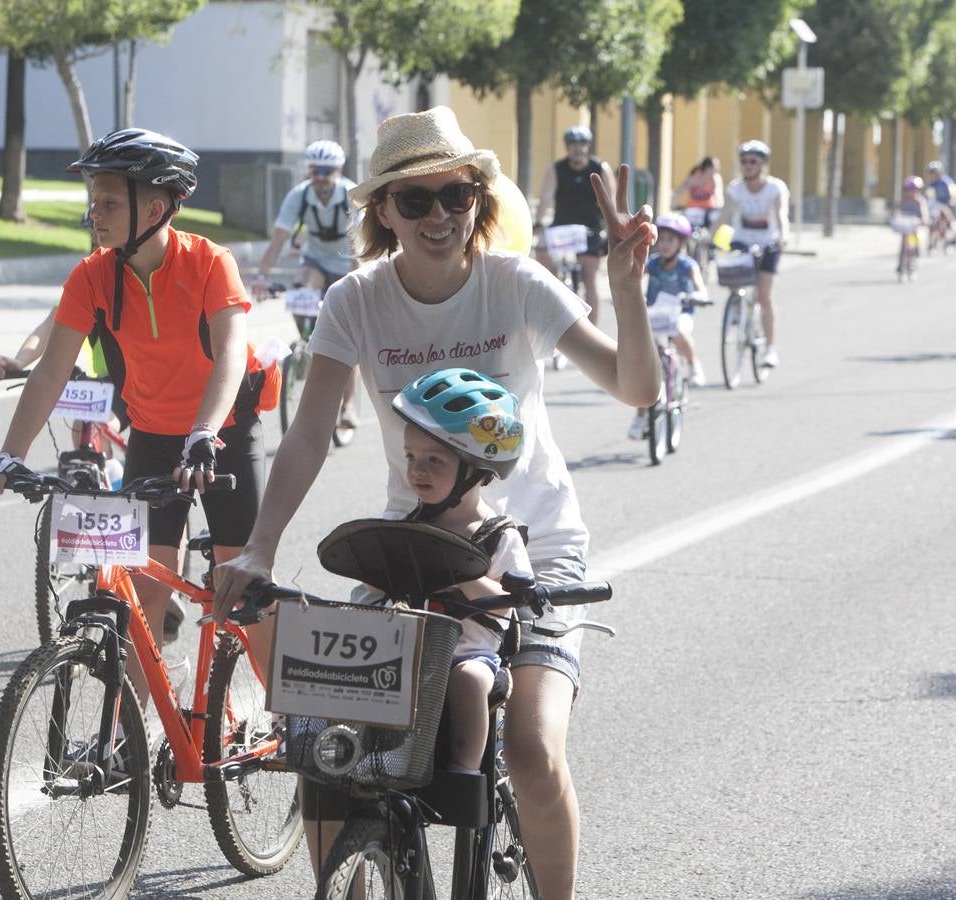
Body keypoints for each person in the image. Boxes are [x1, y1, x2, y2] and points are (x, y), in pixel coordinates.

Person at [212, 105, 660, 899]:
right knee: (330, 745)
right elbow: (310, 435)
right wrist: (259, 547)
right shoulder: (356, 300)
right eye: (414, 201)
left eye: (455, 195)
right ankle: (353, 879)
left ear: (477, 200)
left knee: (529, 750)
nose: (439, 216)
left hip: (532, 551)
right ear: (382, 210)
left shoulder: (515, 283)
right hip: (413, 549)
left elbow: (635, 387)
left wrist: (627, 288)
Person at [0, 127, 273, 698]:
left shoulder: (211, 263)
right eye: (93, 200)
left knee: (245, 592)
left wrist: (205, 433)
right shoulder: (93, 275)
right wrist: (10, 453)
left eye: (109, 201)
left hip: (222, 434)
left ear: (155, 208)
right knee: (142, 599)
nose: (95, 213)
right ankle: (130, 735)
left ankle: (290, 723)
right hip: (154, 435)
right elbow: (51, 370)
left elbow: (230, 356)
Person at [392, 369, 530, 774]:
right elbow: (380, 581)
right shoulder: (410, 525)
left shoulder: (498, 535)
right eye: (412, 457)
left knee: (468, 680)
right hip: (413, 647)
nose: (418, 470)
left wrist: (457, 570)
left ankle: (464, 771)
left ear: (475, 467)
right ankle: (374, 755)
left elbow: (506, 607)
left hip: (471, 653)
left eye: (435, 460)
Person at [253, 139, 360, 429]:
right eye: (315, 170)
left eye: (327, 170)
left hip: (346, 262)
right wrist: (262, 277)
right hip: (315, 261)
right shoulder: (299, 196)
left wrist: (359, 284)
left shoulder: (351, 195)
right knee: (302, 286)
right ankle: (307, 344)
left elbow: (360, 247)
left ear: (338, 170)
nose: (321, 177)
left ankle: (348, 407)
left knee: (346, 337)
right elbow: (278, 240)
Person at [627, 214, 708, 440]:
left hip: (679, 314)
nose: (664, 244)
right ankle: (641, 416)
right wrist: (634, 294)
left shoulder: (687, 265)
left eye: (670, 240)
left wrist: (698, 295)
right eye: (661, 239)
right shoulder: (652, 264)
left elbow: (700, 288)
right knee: (645, 368)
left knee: (679, 330)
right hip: (655, 316)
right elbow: (638, 281)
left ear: (681, 243)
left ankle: (693, 364)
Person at [533, 125, 617, 325]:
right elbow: (545, 198)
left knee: (590, 278)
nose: (577, 149)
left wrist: (611, 227)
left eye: (582, 144)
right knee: (541, 253)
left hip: (591, 230)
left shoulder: (600, 168)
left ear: (588, 146)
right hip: (562, 229)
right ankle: (553, 308)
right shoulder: (556, 169)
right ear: (567, 147)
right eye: (572, 145)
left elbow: (610, 201)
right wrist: (537, 223)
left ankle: (593, 328)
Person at [717, 139, 790, 368]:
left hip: (769, 243)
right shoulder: (734, 189)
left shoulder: (775, 188)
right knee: (734, 279)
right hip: (742, 241)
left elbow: (781, 215)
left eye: (752, 162)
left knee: (764, 296)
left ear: (762, 165)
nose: (747, 166)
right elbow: (724, 215)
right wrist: (709, 237)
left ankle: (770, 349)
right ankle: (738, 310)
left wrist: (784, 236)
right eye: (744, 162)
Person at [673, 156, 724, 231]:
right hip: (693, 209)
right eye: (715, 168)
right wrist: (674, 204)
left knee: (716, 222)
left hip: (709, 210)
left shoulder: (715, 179)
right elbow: (680, 191)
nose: (717, 170)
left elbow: (718, 194)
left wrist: (720, 208)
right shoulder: (695, 177)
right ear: (707, 168)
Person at [894, 176, 931, 275]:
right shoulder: (903, 200)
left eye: (914, 190)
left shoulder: (919, 201)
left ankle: (913, 257)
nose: (911, 193)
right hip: (905, 225)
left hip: (914, 225)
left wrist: (924, 220)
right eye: (909, 190)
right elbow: (896, 211)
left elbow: (924, 213)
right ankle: (901, 262)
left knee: (914, 242)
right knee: (903, 243)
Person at [926, 160, 956, 243]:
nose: (933, 175)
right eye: (931, 173)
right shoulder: (933, 182)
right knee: (932, 217)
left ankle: (951, 227)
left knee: (946, 213)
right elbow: (929, 192)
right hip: (936, 204)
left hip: (945, 202)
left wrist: (952, 199)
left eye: (935, 173)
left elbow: (952, 190)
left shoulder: (946, 181)